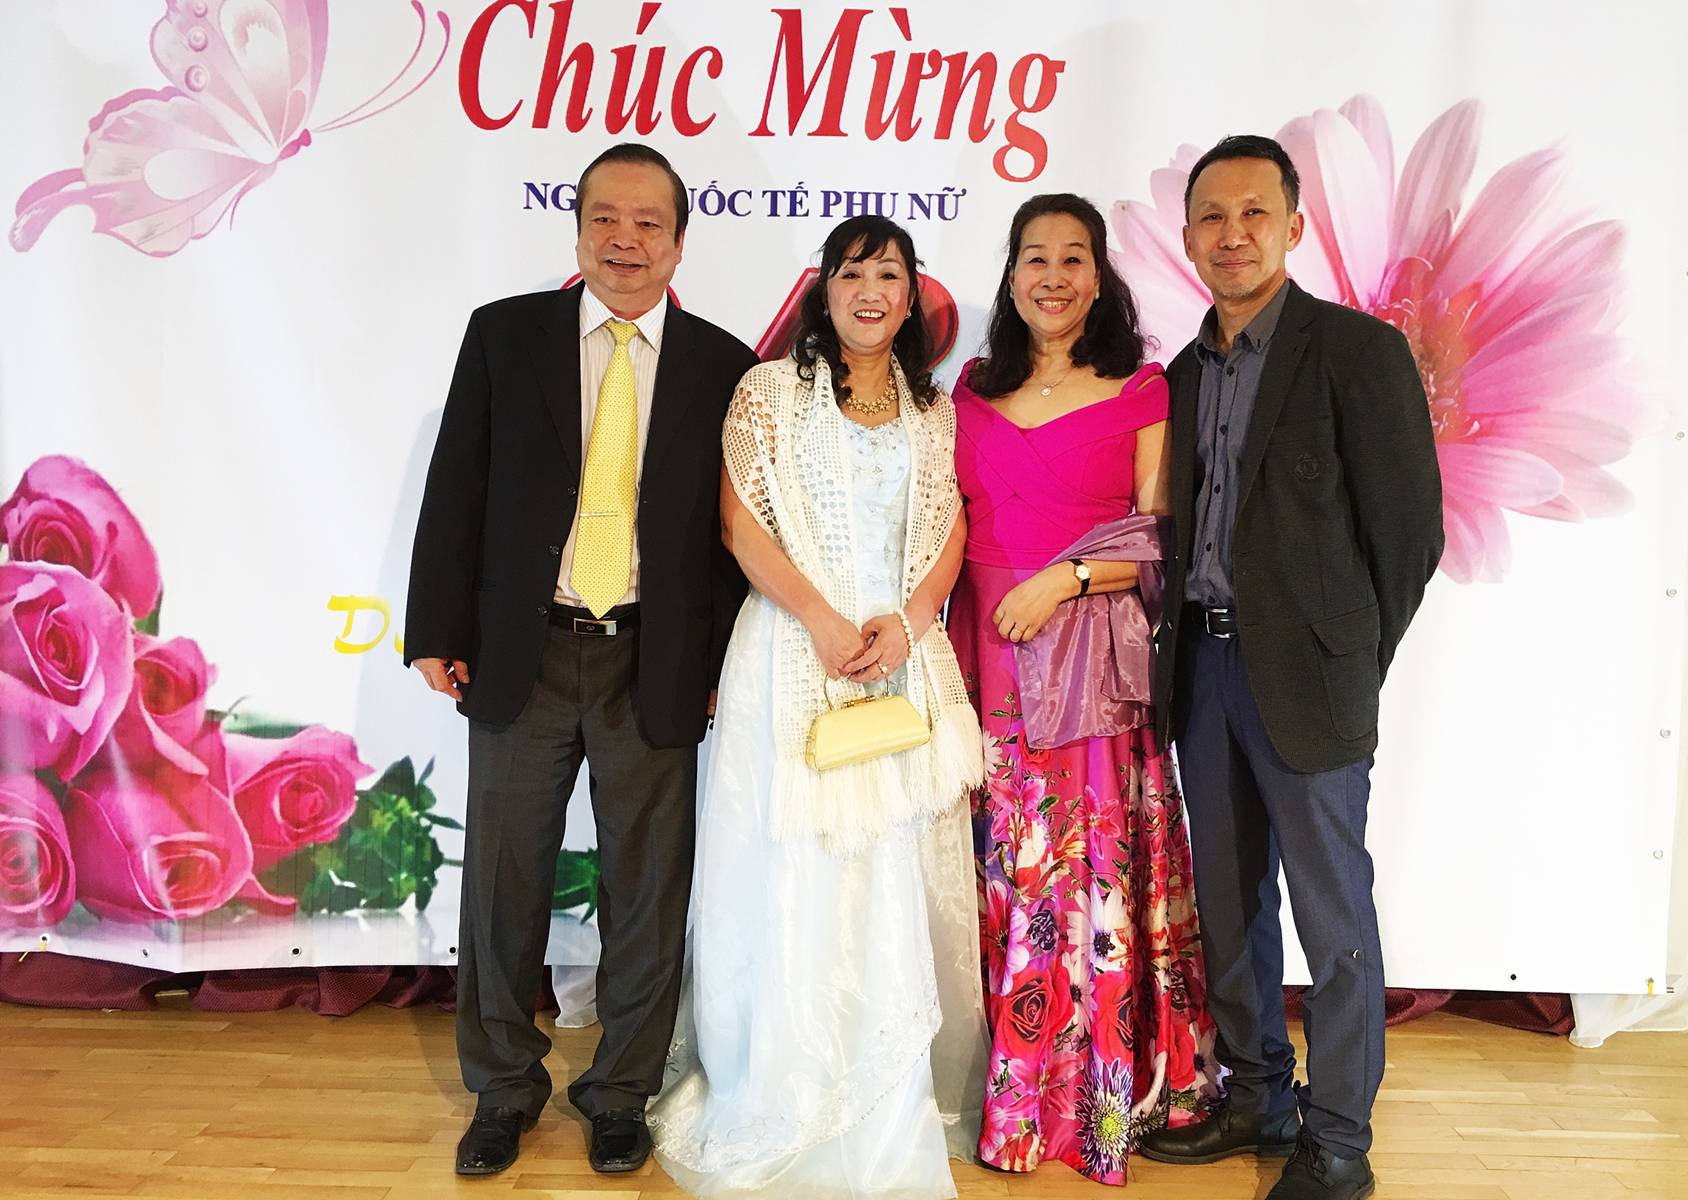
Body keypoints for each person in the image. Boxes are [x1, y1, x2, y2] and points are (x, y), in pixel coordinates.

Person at [404, 143, 758, 1177]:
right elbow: (457, 483)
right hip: (525, 652)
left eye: (649, 223)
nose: (625, 239)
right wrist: (436, 627)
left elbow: (731, 533)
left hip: (655, 656)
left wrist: (720, 661)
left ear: (679, 244)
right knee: (503, 881)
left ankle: (619, 1092)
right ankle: (502, 1089)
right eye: (605, 217)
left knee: (648, 890)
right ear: (577, 231)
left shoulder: (724, 364)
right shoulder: (504, 336)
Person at [647, 215, 989, 1200]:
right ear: (823, 288)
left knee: (887, 868)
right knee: (791, 866)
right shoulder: (768, 393)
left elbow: (950, 529)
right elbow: (738, 523)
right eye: (852, 273)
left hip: (896, 656)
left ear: (912, 295)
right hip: (791, 652)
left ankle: (886, 1087)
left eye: (889, 275)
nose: (870, 292)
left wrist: (909, 622)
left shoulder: (934, 411)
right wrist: (821, 620)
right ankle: (786, 1085)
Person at [1135, 135, 1443, 1200]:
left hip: (1311, 680)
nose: (1233, 235)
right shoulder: (1181, 376)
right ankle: (1257, 1095)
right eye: (1211, 217)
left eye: (1254, 213)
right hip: (1203, 674)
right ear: (1186, 239)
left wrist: (1347, 654)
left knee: (1333, 915)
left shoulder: (1357, 352)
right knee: (1230, 908)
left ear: (1296, 227)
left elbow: (1409, 534)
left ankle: (1340, 1142)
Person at [946, 193, 1223, 1186]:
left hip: (1089, 664)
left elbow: (1158, 538)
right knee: (1002, 872)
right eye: (1035, 257)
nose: (1053, 277)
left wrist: (1062, 580)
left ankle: (1085, 1102)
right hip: (983, 654)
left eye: (1073, 258)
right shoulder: (970, 389)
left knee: (1079, 874)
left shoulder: (1141, 387)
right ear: (1010, 275)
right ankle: (1004, 1089)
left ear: (1100, 277)